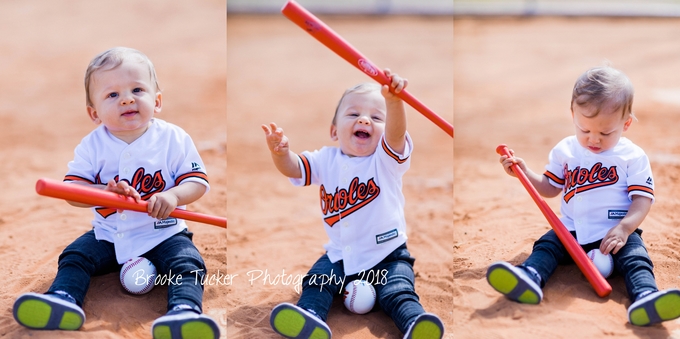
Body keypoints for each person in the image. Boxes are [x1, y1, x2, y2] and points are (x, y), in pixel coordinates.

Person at [11, 47, 220, 339]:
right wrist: (101, 190)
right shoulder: (91, 146)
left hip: (163, 231)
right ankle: (62, 298)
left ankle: (184, 312)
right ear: (94, 113)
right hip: (110, 233)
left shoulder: (173, 138)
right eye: (112, 95)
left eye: (137, 89)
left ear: (157, 100)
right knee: (75, 256)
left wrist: (173, 196)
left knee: (187, 263)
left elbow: (197, 181)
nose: (126, 98)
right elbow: (72, 191)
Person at [488, 65, 680, 326]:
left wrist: (624, 228)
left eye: (605, 132)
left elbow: (642, 199)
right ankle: (530, 276)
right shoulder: (565, 150)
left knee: (636, 258)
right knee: (547, 246)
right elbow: (549, 187)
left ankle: (646, 295)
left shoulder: (632, 157)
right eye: (584, 129)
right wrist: (524, 173)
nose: (594, 139)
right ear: (573, 115)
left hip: (615, 233)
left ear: (626, 124)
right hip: (571, 230)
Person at [261, 70, 444, 339]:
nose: (364, 119)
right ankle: (309, 317)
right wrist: (281, 153)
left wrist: (394, 102)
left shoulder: (385, 160)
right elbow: (294, 169)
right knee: (317, 282)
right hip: (341, 255)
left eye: (377, 117)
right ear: (334, 131)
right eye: (353, 114)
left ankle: (415, 323)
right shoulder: (325, 159)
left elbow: (395, 136)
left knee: (398, 290)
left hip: (388, 255)